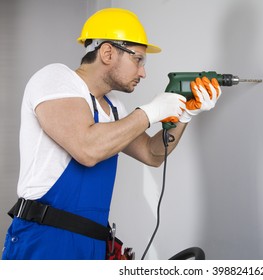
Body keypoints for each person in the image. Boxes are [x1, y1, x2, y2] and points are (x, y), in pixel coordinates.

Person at [2, 7, 221, 260]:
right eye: (138, 59)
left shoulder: (114, 106)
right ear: (107, 52)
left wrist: (184, 116)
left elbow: (152, 154)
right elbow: (87, 148)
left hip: (93, 242)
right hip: (45, 239)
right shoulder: (55, 78)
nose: (143, 72)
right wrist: (149, 112)